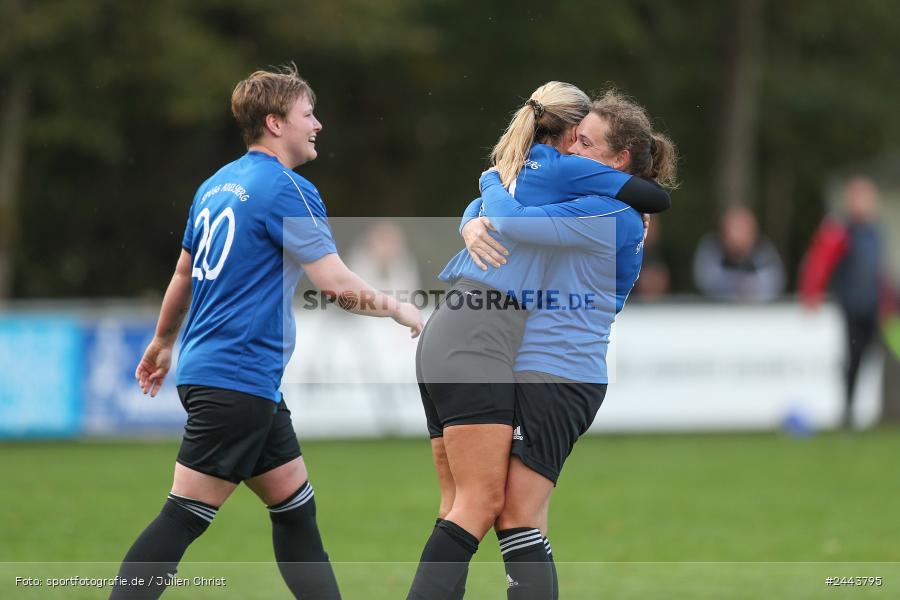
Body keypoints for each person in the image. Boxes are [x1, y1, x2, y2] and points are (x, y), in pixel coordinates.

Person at [110, 64, 423, 600]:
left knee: (294, 507)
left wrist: (163, 342)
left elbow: (183, 274)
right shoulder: (287, 189)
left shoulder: (215, 186)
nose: (318, 124)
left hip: (228, 374)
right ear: (276, 123)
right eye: (308, 114)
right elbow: (335, 285)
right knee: (184, 514)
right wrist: (402, 309)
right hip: (237, 377)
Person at [408, 82, 671, 600]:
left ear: (619, 161)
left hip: (559, 372)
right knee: (503, 514)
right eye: (574, 138)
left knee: (512, 515)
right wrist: (469, 223)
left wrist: (487, 191)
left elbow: (511, 220)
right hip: (512, 357)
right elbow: (497, 215)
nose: (573, 150)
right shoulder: (581, 194)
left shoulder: (611, 214)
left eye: (587, 144)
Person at [799, 176, 885, 428]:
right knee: (853, 357)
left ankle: (871, 410)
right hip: (851, 305)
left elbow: (880, 271)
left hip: (875, 307)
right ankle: (848, 411)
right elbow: (819, 263)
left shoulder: (875, 231)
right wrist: (811, 294)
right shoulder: (839, 230)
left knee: (872, 359)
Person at [693, 205, 785, 302]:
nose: (739, 234)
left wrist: (747, 288)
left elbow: (776, 281)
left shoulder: (764, 251)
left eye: (744, 229)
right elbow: (706, 281)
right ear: (724, 231)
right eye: (735, 229)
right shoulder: (711, 248)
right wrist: (739, 286)